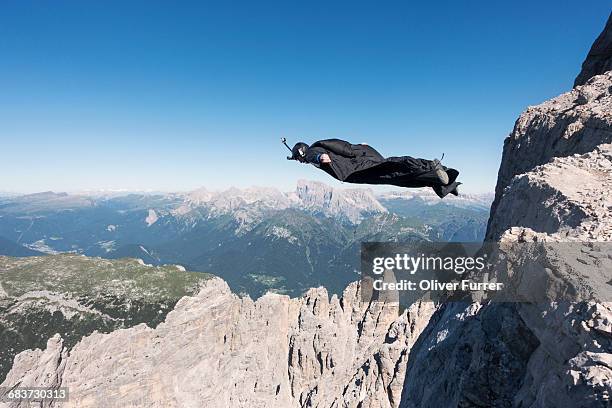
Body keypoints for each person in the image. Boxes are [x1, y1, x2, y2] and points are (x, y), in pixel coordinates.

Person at [289, 139, 460, 198]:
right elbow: (343, 146)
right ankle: (441, 182)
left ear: (301, 152)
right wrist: (360, 147)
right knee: (397, 178)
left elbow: (320, 156)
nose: (299, 162)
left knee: (392, 168)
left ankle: (431, 165)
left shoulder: (312, 152)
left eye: (298, 158)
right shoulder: (319, 146)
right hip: (358, 165)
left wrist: (319, 159)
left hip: (356, 170)